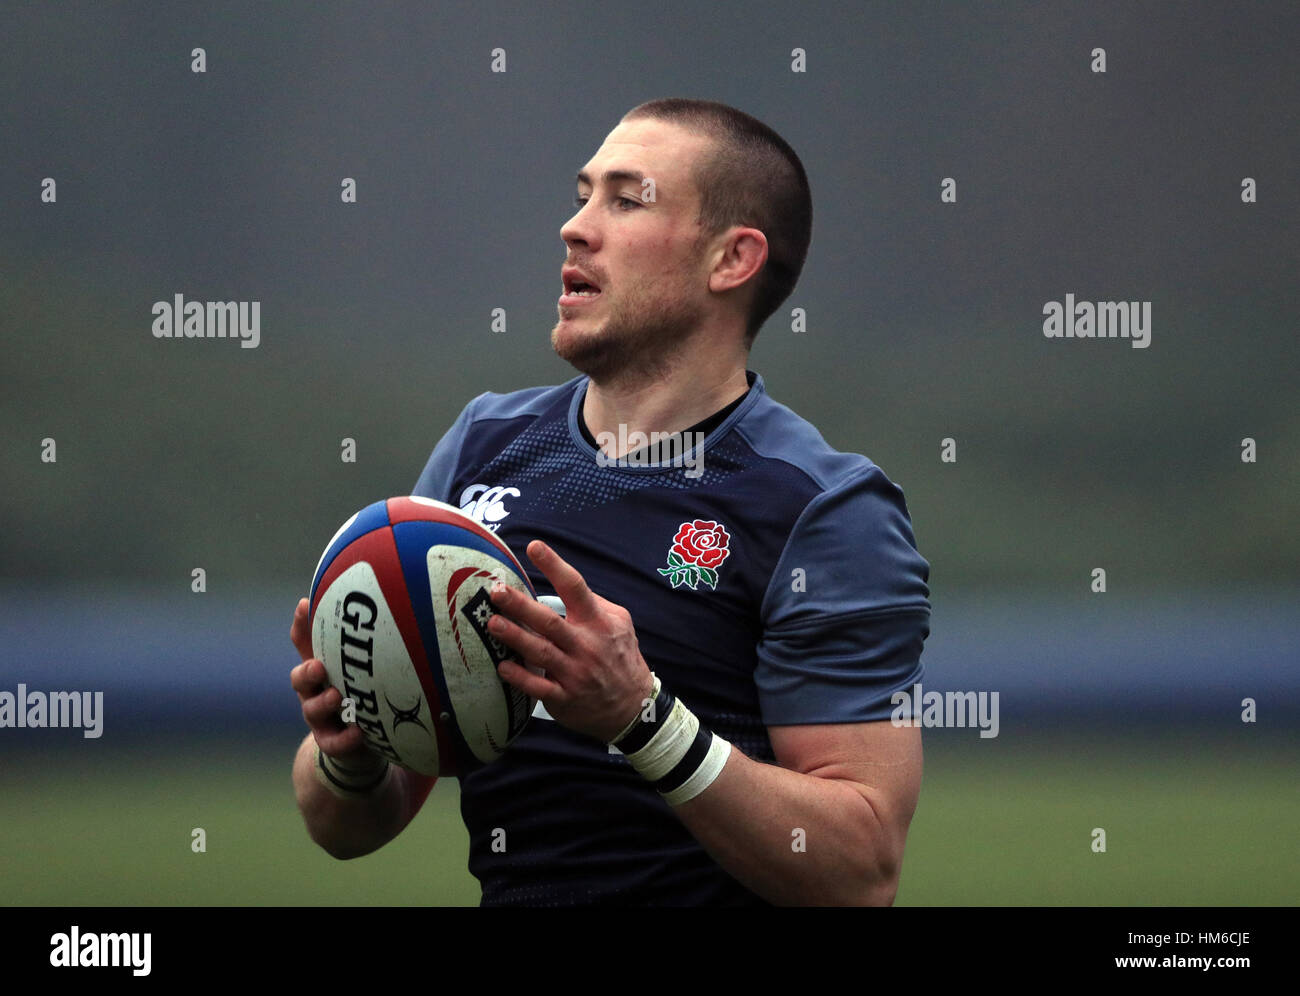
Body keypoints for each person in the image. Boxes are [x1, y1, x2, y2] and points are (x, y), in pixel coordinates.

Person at [289, 98, 931, 906]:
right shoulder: (481, 446)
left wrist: (641, 719)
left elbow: (859, 870)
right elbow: (348, 828)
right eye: (583, 193)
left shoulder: (823, 510)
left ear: (732, 260)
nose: (576, 226)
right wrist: (353, 755)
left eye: (627, 200)